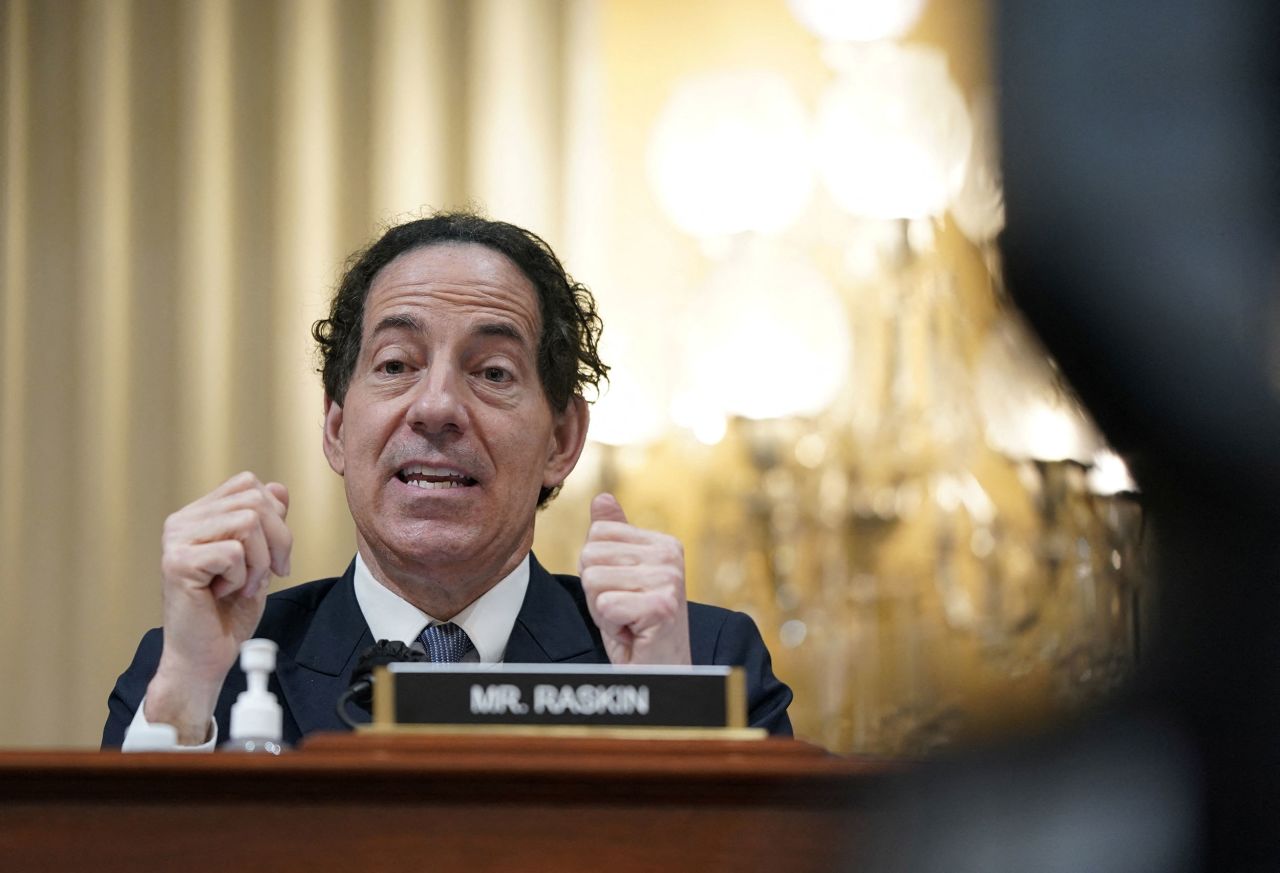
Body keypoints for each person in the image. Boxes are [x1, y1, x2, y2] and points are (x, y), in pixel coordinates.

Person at [103, 211, 792, 749]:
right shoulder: (203, 668)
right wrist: (186, 692)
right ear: (338, 429)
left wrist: (664, 709)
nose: (435, 408)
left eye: (492, 372)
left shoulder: (710, 664)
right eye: (397, 364)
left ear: (562, 439)